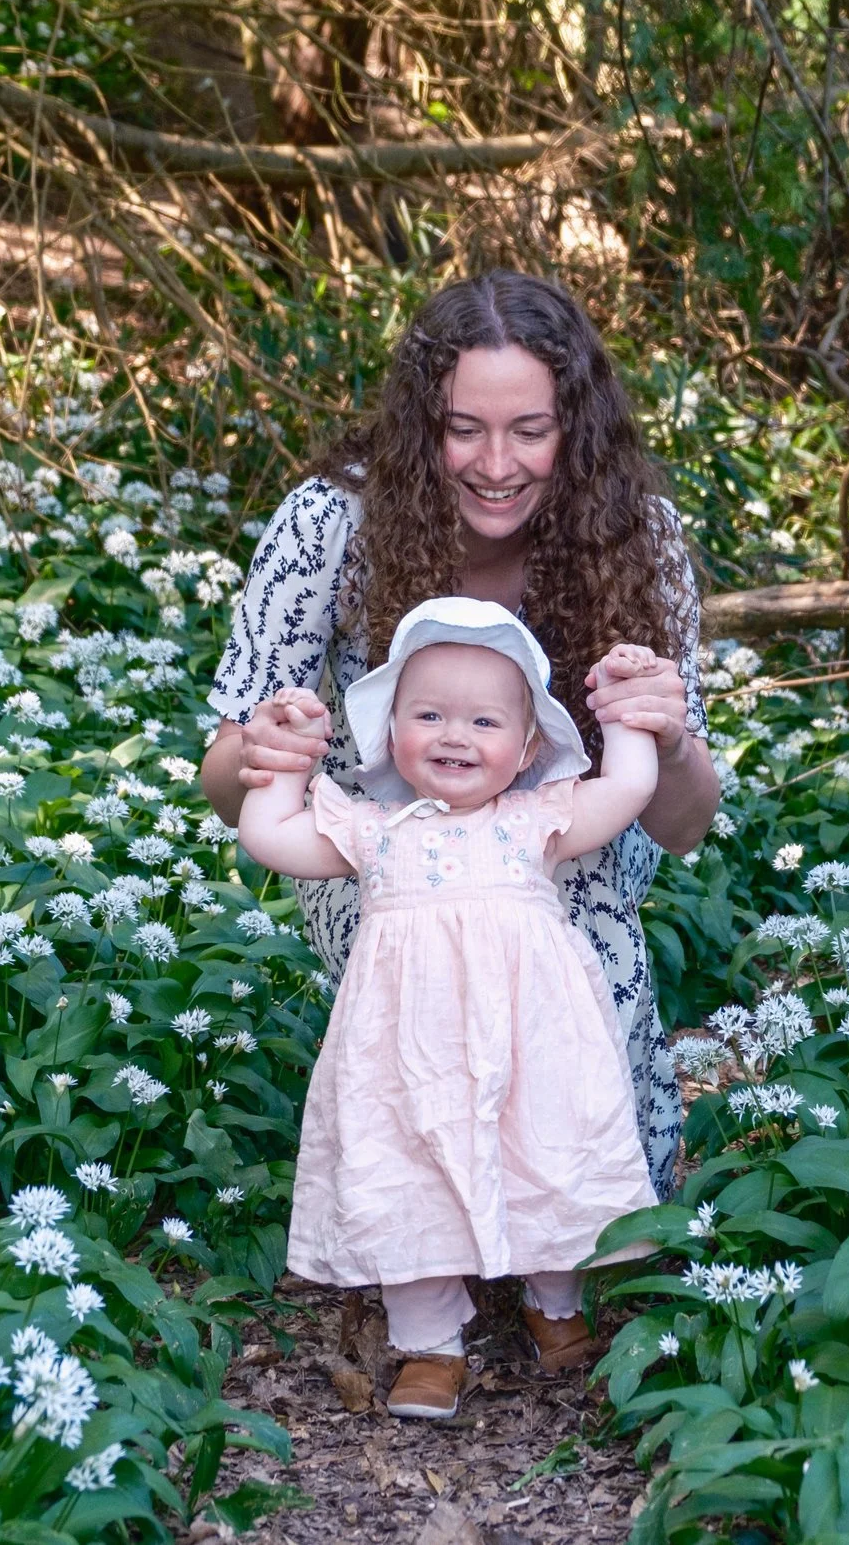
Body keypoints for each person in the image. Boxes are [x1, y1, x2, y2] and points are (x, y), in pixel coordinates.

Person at [201, 269, 720, 1210]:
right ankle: (418, 1235)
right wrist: (262, 752)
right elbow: (225, 778)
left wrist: (668, 737)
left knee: (583, 947)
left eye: (530, 430)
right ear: (421, 424)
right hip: (381, 835)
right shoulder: (331, 523)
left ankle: (584, 1225)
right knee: (414, 953)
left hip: (569, 833)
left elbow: (684, 826)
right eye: (464, 428)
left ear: (576, 427)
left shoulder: (636, 532)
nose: (496, 463)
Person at [239, 599, 667, 1416]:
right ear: (392, 728)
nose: (453, 735)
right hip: (407, 1051)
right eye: (428, 714)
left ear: (530, 744)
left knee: (547, 1150)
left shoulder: (538, 818)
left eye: (483, 720)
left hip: (530, 1041)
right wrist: (287, 758)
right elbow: (270, 836)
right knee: (406, 1168)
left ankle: (556, 1304)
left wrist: (626, 705)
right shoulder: (376, 829)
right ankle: (429, 1344)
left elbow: (634, 784)